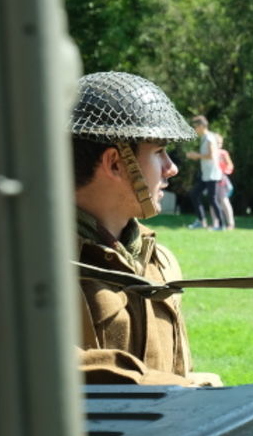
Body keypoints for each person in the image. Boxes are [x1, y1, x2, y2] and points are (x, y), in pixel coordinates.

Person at [72, 71, 220, 386]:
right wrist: (179, 388)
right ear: (115, 163)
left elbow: (179, 369)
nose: (172, 168)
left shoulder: (159, 262)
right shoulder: (35, 270)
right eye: (158, 152)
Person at [185, 116, 228, 230]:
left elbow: (211, 155)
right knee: (194, 194)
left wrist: (196, 156)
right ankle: (201, 221)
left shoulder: (209, 138)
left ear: (202, 126)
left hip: (212, 174)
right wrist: (198, 156)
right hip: (206, 175)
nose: (194, 129)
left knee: (212, 199)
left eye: (196, 127)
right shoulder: (204, 138)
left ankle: (221, 225)